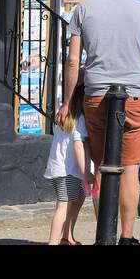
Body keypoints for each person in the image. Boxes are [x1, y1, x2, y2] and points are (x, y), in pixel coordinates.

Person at [58, 0, 140, 246]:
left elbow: (72, 61)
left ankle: (104, 234)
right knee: (130, 169)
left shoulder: (84, 10)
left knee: (103, 165)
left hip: (96, 96)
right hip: (135, 96)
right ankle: (126, 236)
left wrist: (67, 101)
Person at [44, 86, 90, 245]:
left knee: (79, 197)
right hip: (67, 171)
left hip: (63, 169)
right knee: (63, 206)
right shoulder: (80, 120)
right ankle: (54, 242)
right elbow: (78, 146)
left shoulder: (65, 118)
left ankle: (67, 236)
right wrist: (86, 173)